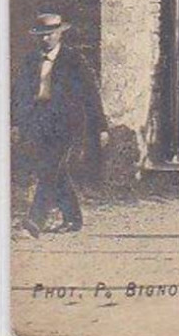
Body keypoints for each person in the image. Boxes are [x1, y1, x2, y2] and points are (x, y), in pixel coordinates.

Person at [10, 13, 107, 237]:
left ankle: (35, 221)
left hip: (68, 125)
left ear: (60, 34)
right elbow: (20, 94)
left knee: (49, 169)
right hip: (39, 123)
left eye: (50, 35)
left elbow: (91, 95)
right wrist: (16, 123)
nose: (46, 40)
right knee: (56, 170)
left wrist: (100, 126)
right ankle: (73, 218)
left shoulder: (74, 60)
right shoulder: (31, 60)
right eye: (41, 36)